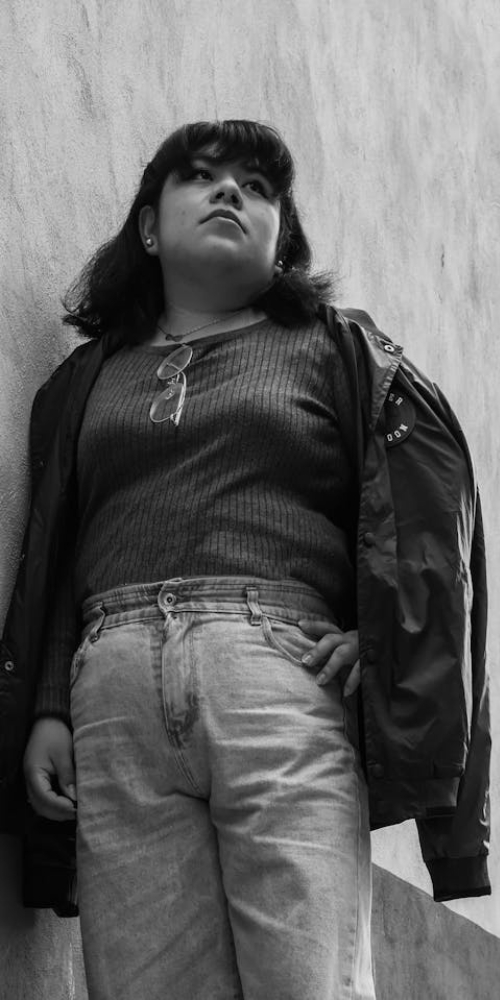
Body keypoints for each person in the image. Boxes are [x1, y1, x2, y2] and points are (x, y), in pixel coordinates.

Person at [0, 119, 490, 1000]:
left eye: (259, 188)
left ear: (282, 242)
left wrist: (376, 638)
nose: (232, 191)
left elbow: (416, 531)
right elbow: (61, 549)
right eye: (202, 176)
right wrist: (47, 708)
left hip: (281, 678)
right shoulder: (85, 381)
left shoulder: (339, 353)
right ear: (149, 228)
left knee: (309, 985)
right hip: (110, 698)